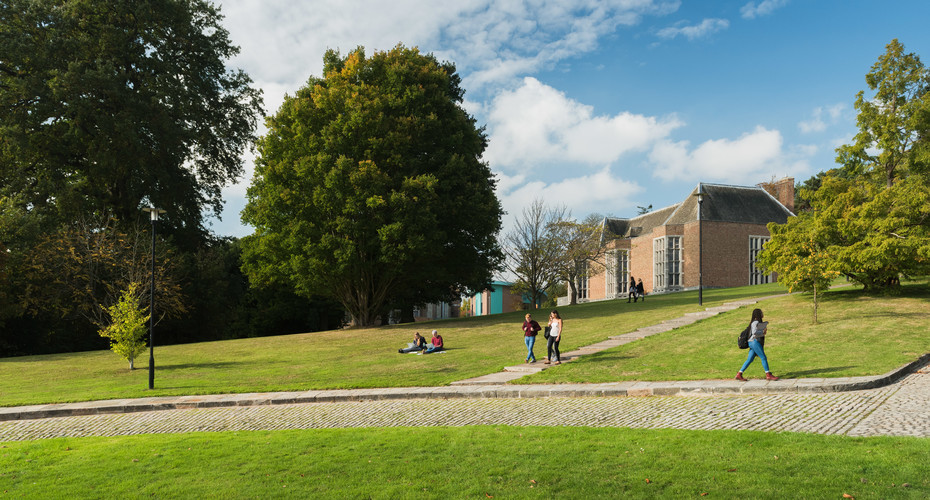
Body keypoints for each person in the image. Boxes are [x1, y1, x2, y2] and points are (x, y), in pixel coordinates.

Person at [735, 308, 779, 381]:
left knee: (750, 359)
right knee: (763, 357)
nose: (763, 314)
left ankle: (739, 374)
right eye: (761, 313)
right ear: (758, 314)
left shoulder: (755, 322)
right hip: (754, 342)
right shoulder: (755, 322)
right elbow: (755, 333)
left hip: (752, 342)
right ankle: (768, 375)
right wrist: (763, 332)